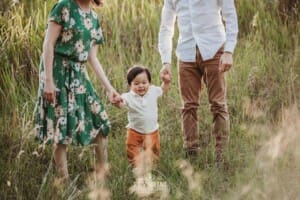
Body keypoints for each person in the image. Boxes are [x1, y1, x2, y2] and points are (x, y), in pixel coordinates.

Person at [34, 0, 121, 180]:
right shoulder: (63, 6)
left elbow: (92, 57)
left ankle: (101, 177)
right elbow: (48, 45)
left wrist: (109, 88)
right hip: (57, 72)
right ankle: (64, 182)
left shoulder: (93, 17)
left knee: (100, 121)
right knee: (61, 126)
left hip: (79, 74)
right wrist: (48, 81)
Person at [158, 0, 238, 163]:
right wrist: (166, 61)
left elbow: (230, 15)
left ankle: (221, 155)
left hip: (214, 49)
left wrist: (229, 50)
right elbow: (166, 28)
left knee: (218, 104)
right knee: (188, 106)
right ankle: (191, 154)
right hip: (186, 53)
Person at [117, 65, 170, 191]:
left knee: (154, 151)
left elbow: (164, 89)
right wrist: (116, 101)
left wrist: (166, 81)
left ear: (149, 83)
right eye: (136, 83)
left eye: (144, 83)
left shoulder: (152, 91)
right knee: (132, 149)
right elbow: (121, 104)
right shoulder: (128, 96)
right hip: (134, 131)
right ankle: (137, 169)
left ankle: (151, 170)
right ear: (130, 85)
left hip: (152, 131)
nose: (141, 86)